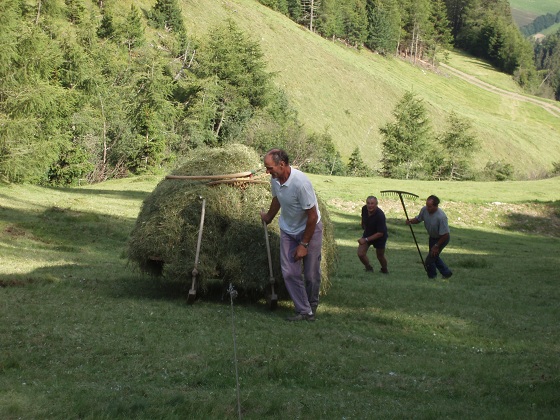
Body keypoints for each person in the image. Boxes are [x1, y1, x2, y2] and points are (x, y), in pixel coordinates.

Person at [260, 149, 323, 322]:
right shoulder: (275, 179)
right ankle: (304, 310)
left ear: (282, 164)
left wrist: (304, 244)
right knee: (289, 273)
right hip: (288, 229)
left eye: (269, 168)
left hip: (310, 228)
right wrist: (269, 217)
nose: (267, 172)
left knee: (311, 274)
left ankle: (311, 306)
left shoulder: (301, 183)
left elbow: (313, 216)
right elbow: (277, 199)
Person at [406, 195, 453, 279]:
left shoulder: (441, 217)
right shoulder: (424, 210)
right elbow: (418, 219)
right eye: (427, 205)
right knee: (434, 256)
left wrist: (436, 246)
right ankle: (446, 273)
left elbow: (445, 234)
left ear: (436, 206)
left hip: (442, 239)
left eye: (430, 207)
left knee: (429, 260)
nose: (428, 208)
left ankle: (432, 277)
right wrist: (411, 221)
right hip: (432, 237)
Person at [357, 196, 388, 274]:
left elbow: (380, 233)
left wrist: (365, 239)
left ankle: (384, 269)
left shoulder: (380, 215)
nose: (370, 205)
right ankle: (368, 267)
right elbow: (363, 217)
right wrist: (363, 224)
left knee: (380, 256)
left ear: (376, 204)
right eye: (368, 203)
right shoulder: (364, 208)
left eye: (372, 203)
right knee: (360, 253)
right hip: (368, 233)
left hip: (380, 237)